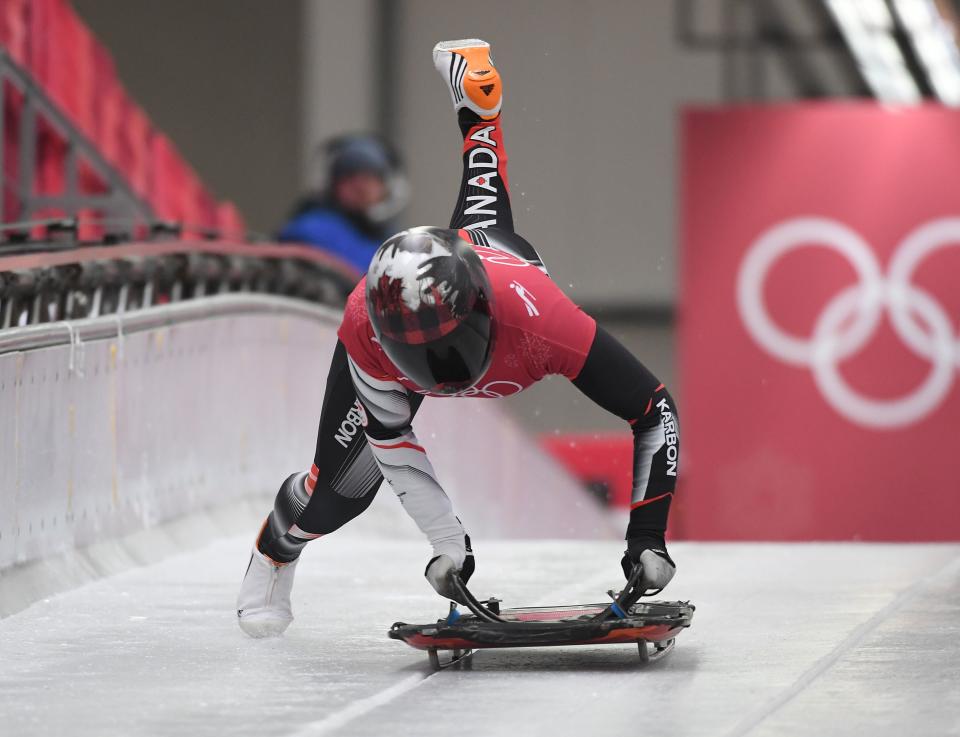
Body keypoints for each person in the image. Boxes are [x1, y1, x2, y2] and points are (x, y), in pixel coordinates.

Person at [237, 39, 680, 637]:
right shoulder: (367, 329)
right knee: (333, 500)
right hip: (418, 323)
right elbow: (393, 443)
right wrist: (450, 543)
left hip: (502, 274)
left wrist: (648, 539)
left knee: (484, 201)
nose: (437, 367)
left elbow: (654, 411)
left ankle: (479, 109)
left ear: (477, 314)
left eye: (444, 346)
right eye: (415, 353)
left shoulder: (543, 321)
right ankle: (275, 548)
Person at [277, 134, 408, 275]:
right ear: (332, 184)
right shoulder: (308, 231)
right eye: (350, 176)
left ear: (388, 187)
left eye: (369, 178)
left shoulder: (395, 244)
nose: (360, 187)